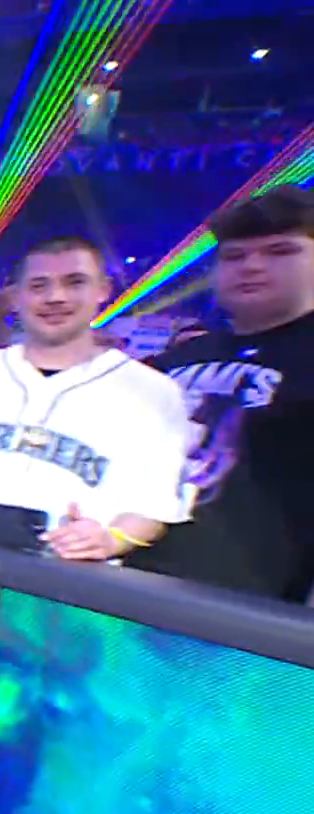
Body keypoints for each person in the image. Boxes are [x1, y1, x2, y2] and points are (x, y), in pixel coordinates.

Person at [0, 236, 191, 560]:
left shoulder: (153, 392)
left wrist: (111, 539)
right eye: (38, 286)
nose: (55, 297)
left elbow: (156, 506)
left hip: (73, 577)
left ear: (103, 290)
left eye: (75, 282)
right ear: (17, 296)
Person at [128, 187, 314, 601]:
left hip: (250, 607)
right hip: (123, 580)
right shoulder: (176, 359)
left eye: (280, 251)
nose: (252, 266)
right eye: (234, 256)